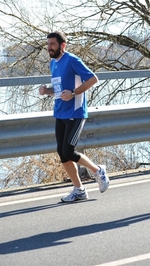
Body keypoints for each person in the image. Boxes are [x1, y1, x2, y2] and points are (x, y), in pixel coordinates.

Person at [39, 31, 109, 202]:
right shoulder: (53, 63)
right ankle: (79, 189)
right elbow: (59, 89)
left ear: (63, 45)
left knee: (69, 150)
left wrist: (74, 93)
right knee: (62, 153)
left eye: (53, 44)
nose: (49, 47)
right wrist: (47, 91)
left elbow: (93, 79)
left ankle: (98, 170)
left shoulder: (72, 60)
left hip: (76, 112)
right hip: (60, 112)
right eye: (48, 44)